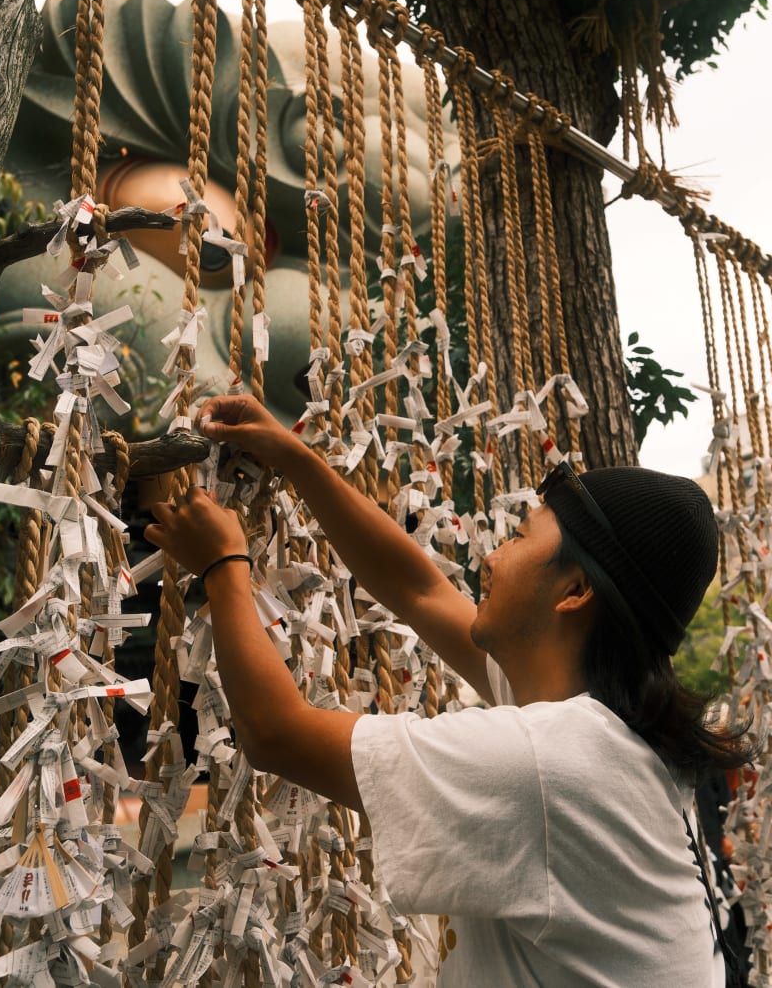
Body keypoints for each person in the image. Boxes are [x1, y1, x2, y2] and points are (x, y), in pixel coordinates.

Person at [145, 394, 755, 988]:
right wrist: (295, 458)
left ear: (572, 592)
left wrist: (223, 565)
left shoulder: (550, 761)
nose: (491, 558)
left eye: (518, 537)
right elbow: (417, 589)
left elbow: (277, 734)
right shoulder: (599, 725)